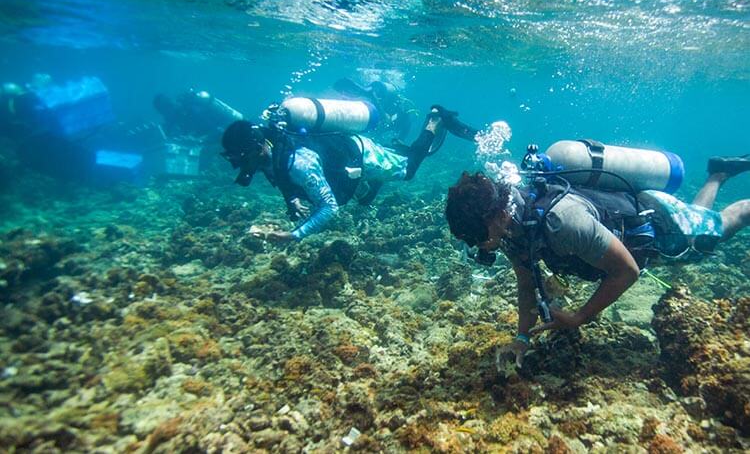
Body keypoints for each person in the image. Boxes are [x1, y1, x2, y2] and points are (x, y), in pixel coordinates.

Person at [445, 155, 750, 367]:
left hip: (660, 226)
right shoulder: (512, 228)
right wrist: (522, 338)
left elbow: (626, 271)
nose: (476, 245)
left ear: (498, 215)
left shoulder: (562, 221)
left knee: (718, 229)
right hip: (647, 230)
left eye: (475, 236)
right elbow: (526, 285)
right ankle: (718, 173)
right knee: (700, 227)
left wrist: (579, 317)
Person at [221, 105, 477, 242]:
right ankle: (375, 176)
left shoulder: (298, 162)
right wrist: (294, 199)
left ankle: (435, 120)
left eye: (240, 159)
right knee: (364, 199)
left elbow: (329, 207)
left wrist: (294, 235)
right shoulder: (270, 155)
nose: (240, 167)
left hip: (360, 154)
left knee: (408, 169)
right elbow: (285, 182)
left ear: (255, 148)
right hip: (346, 158)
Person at [153, 89, 244, 139]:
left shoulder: (192, 106)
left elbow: (211, 127)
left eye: (167, 108)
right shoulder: (177, 116)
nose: (167, 114)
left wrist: (197, 139)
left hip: (229, 127)